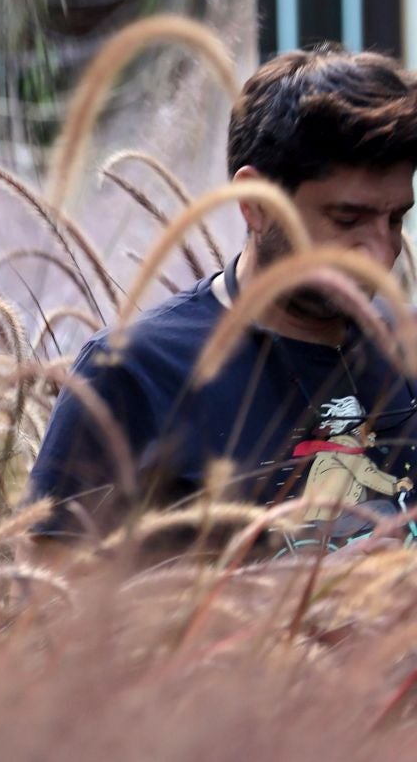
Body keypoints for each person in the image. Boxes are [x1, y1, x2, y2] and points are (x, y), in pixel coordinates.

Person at [29, 45, 417, 544]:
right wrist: (297, 584)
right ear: (255, 203)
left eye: (396, 219)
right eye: (347, 219)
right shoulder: (134, 373)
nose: (382, 252)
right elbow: (46, 586)